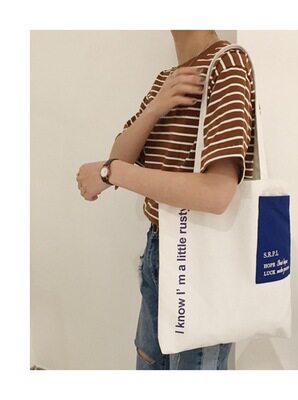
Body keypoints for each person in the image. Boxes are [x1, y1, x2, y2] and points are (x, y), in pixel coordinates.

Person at [76, 30, 255, 369]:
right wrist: (155, 108)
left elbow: (217, 193)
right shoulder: (167, 79)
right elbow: (120, 155)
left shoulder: (227, 64)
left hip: (200, 263)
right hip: (158, 250)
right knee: (149, 365)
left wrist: (111, 173)